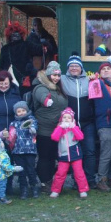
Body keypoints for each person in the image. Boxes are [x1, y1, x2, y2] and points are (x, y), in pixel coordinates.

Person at [32, 61, 69, 189]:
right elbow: (41, 96)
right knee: (45, 157)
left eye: (58, 75)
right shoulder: (41, 87)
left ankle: (52, 180)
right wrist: (46, 100)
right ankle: (44, 181)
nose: (56, 78)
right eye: (53, 75)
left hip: (58, 130)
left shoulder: (59, 89)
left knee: (55, 156)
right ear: (48, 75)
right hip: (45, 130)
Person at [61, 54, 97, 185]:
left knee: (90, 151)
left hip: (87, 122)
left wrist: (94, 79)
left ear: (81, 68)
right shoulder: (62, 79)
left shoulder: (88, 79)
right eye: (71, 66)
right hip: (70, 124)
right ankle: (78, 181)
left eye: (77, 66)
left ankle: (90, 179)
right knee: (74, 153)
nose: (74, 68)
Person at [90, 62, 111, 191]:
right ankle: (102, 179)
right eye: (103, 69)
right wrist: (93, 79)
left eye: (109, 69)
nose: (106, 70)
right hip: (105, 124)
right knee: (106, 154)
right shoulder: (97, 83)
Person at [50, 108, 90, 198]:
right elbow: (54, 137)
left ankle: (83, 190)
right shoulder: (59, 128)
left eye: (69, 117)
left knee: (79, 173)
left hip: (75, 155)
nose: (67, 119)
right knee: (60, 173)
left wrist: (73, 127)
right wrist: (60, 127)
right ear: (61, 119)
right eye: (64, 117)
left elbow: (80, 137)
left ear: (72, 120)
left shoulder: (75, 128)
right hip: (63, 155)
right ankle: (55, 190)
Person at [7, 100, 39, 199]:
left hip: (30, 150)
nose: (21, 113)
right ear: (16, 113)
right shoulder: (13, 123)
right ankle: (23, 189)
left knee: (31, 170)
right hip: (17, 151)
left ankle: (34, 188)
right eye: (19, 111)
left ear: (27, 110)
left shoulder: (31, 120)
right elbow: (11, 137)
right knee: (21, 171)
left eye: (23, 110)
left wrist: (31, 128)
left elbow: (34, 131)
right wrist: (7, 138)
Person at [0, 21, 42, 92]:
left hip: (9, 82)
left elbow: (1, 67)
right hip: (26, 82)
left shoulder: (5, 49)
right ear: (21, 34)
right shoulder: (27, 45)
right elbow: (40, 50)